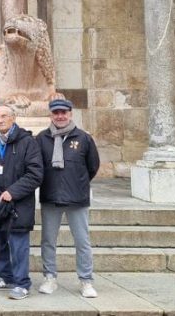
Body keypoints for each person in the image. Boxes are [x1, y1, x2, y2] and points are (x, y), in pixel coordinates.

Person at [36, 98, 100, 299]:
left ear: (70, 113)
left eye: (64, 112)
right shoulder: (41, 138)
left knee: (82, 241)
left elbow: (93, 166)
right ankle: (49, 277)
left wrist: (78, 182)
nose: (60, 116)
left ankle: (86, 280)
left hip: (77, 198)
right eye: (56, 113)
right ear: (51, 115)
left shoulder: (83, 138)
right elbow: (36, 166)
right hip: (50, 196)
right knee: (48, 240)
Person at [0, 103, 44, 300]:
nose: (0, 120)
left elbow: (35, 174)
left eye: (4, 116)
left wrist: (13, 191)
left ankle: (22, 283)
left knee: (18, 245)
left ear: (13, 118)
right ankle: (4, 277)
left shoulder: (27, 142)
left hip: (18, 202)